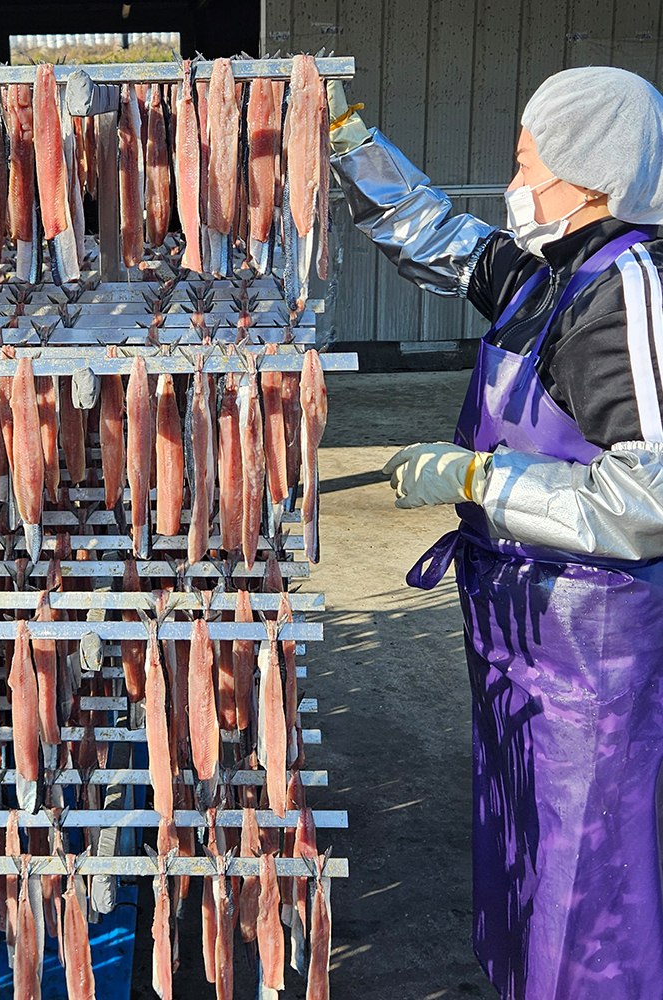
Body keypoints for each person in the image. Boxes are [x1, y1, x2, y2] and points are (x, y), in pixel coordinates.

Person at [328, 66, 663, 999]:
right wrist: (351, 140)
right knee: (523, 841)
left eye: (525, 161)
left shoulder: (628, 290)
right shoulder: (555, 273)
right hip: (522, 622)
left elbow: (648, 499)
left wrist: (483, 477)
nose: (514, 182)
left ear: (588, 173)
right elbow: (442, 240)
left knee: (587, 872)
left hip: (593, 641)